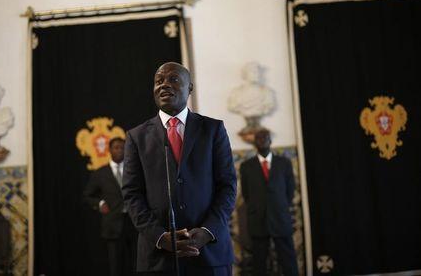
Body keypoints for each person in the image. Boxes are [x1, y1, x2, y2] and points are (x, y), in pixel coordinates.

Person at [122, 62, 237, 276]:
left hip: (209, 253)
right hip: (158, 258)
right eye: (158, 81)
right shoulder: (136, 137)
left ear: (190, 88)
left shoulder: (213, 130)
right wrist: (159, 237)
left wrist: (206, 231)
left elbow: (227, 187)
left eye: (173, 79)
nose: (164, 85)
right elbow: (131, 194)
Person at [240, 129, 298, 276]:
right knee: (259, 262)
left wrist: (280, 206)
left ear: (270, 141)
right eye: (259, 138)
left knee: (288, 260)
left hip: (280, 217)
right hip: (258, 220)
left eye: (265, 138)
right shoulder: (246, 166)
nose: (262, 140)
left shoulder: (284, 163)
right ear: (254, 142)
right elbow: (246, 194)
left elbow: (290, 191)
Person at [83, 137, 137, 276]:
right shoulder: (101, 173)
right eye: (116, 147)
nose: (120, 150)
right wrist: (100, 203)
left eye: (123, 147)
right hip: (113, 225)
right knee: (115, 264)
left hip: (134, 223)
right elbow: (88, 195)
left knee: (136, 262)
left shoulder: (134, 169)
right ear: (110, 150)